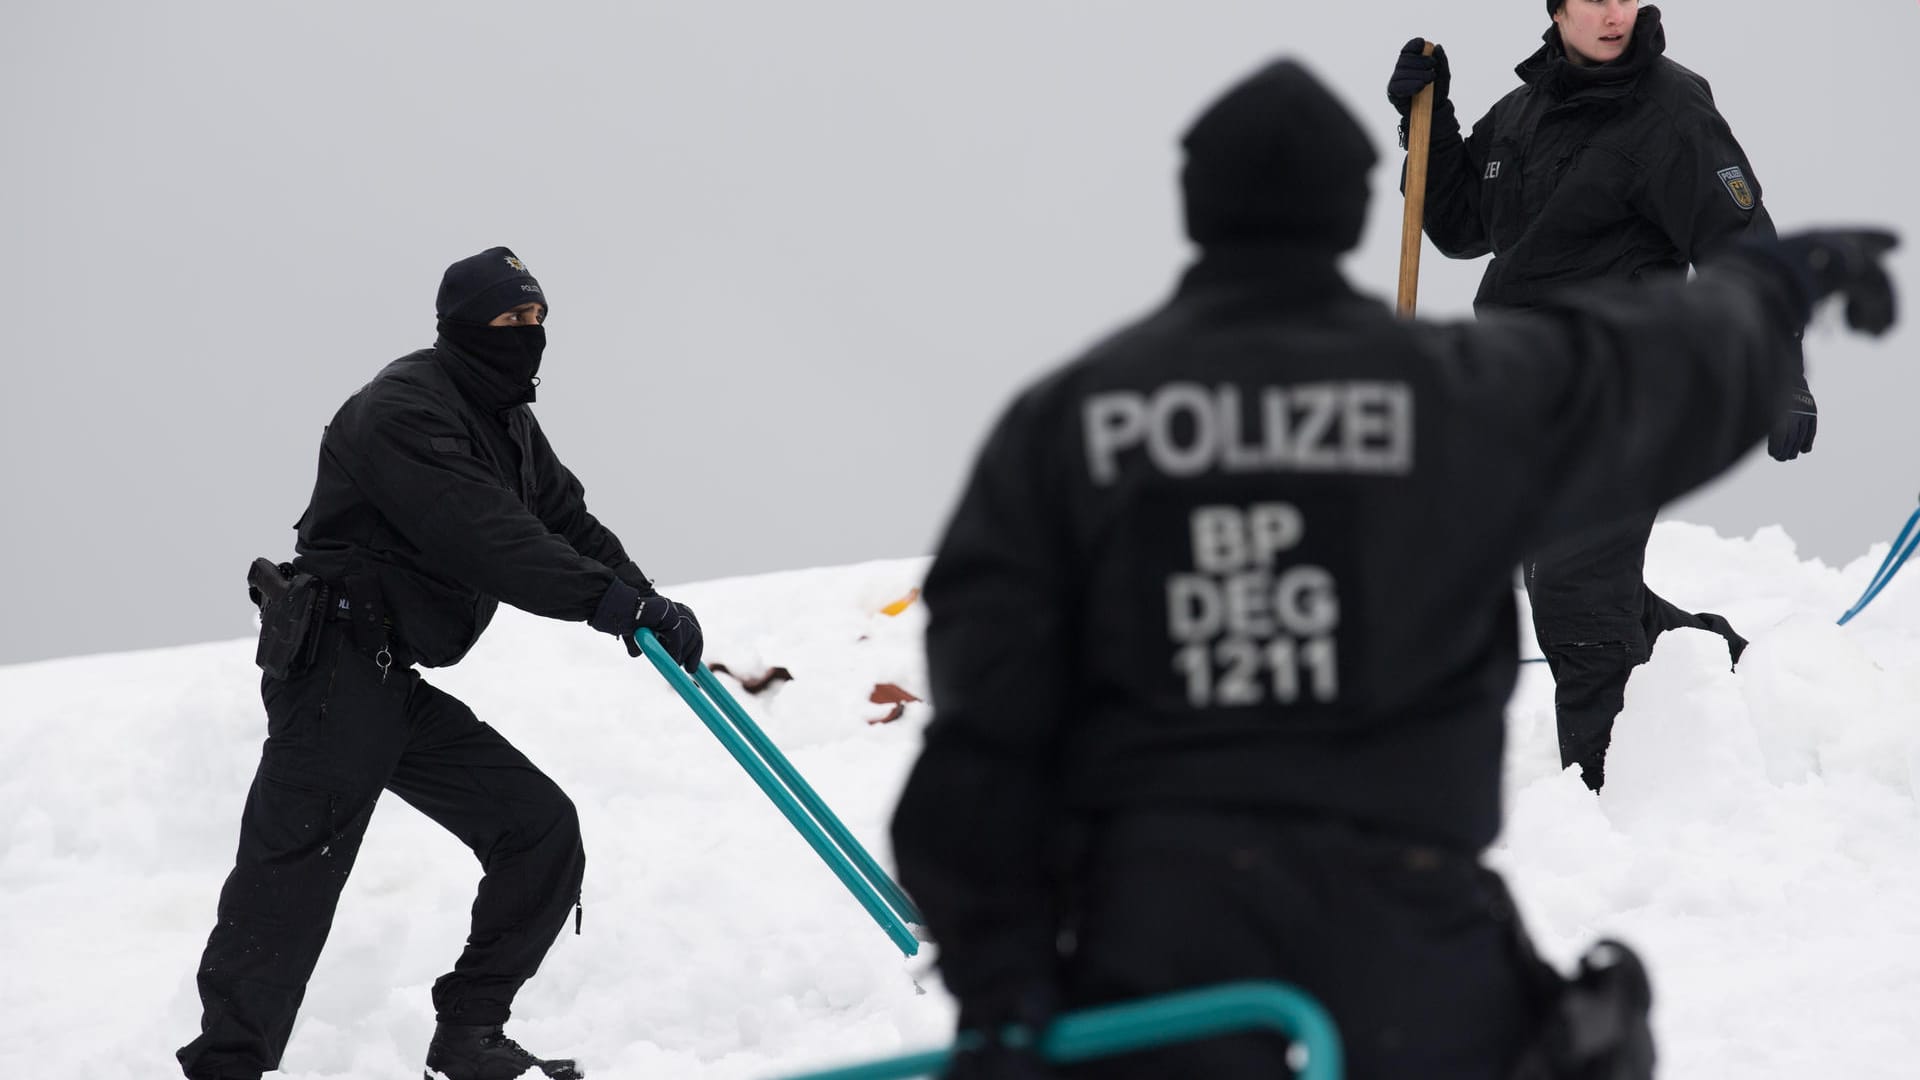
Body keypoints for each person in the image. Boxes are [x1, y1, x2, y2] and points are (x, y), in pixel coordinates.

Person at [888, 57, 1896, 1079]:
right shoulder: (1450, 393)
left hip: (1155, 973)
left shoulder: (1063, 429)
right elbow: (1643, 370)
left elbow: (978, 752)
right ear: (1352, 208)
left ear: (1197, 203)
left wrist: (1006, 998)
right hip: (1412, 966)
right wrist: (1780, 285)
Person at [177, 247, 706, 1080]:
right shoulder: (403, 409)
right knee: (292, 882)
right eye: (507, 320)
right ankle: (225, 1068)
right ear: (460, 326)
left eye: (536, 320)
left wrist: (646, 603)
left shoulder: (506, 422)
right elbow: (489, 535)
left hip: (390, 679)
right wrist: (607, 605)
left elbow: (565, 520)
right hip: (334, 670)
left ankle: (467, 1036)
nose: (527, 335)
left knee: (538, 831)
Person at [1386, 1, 1809, 791]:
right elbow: (1456, 226)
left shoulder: (1672, 111)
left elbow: (1739, 244)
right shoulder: (1523, 111)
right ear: (1556, 9)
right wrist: (1431, 121)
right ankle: (1713, 666)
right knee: (1572, 586)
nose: (1616, 12)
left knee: (1578, 596)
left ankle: (1604, 798)